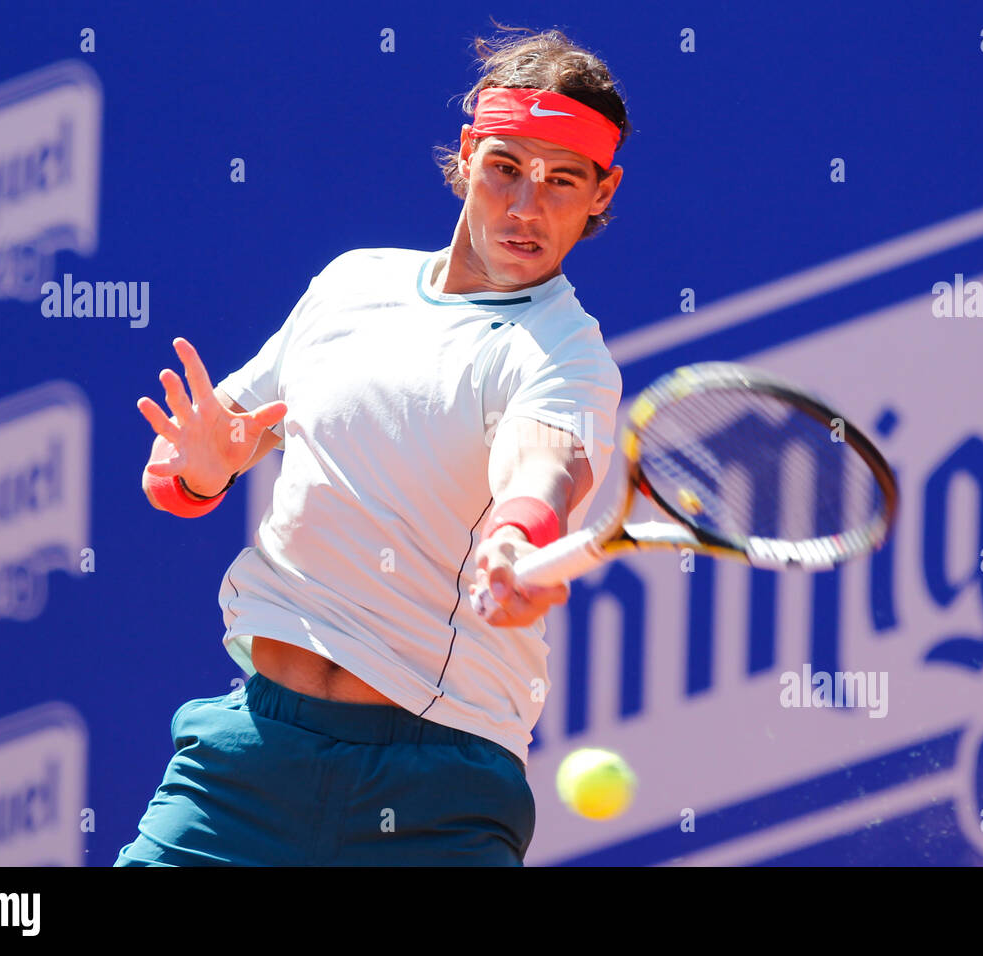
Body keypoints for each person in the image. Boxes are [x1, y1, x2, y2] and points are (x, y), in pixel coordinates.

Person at [115, 24, 629, 866]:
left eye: (561, 180)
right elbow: (192, 464)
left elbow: (541, 467)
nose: (526, 207)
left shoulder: (567, 356)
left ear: (601, 192)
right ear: (467, 157)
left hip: (438, 792)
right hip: (251, 759)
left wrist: (516, 539)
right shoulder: (352, 284)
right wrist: (201, 471)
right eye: (505, 168)